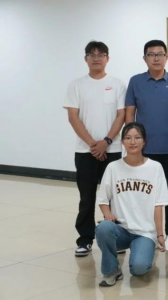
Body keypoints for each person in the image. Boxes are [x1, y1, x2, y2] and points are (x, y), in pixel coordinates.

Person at [64, 41, 126, 257]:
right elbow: (73, 117)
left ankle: (117, 238)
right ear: (86, 59)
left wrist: (106, 141)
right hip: (85, 151)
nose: (96, 58)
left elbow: (121, 116)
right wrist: (93, 144)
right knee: (87, 196)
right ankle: (85, 239)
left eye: (101, 55)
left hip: (113, 149)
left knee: (114, 197)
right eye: (92, 55)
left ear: (108, 58)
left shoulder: (118, 84)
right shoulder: (76, 85)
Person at [125, 40, 168, 251]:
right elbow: (130, 114)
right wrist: (131, 143)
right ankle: (145, 236)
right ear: (145, 58)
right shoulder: (136, 81)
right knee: (144, 195)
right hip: (144, 151)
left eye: (160, 54)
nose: (156, 58)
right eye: (151, 54)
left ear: (166, 57)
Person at [96, 122, 168, 286]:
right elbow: (102, 200)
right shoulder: (113, 167)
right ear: (122, 141)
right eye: (128, 138)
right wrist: (107, 214)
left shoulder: (155, 167)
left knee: (139, 268)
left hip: (144, 233)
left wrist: (160, 235)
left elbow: (159, 205)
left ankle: (143, 253)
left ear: (144, 141)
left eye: (137, 137)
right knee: (103, 228)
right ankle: (111, 270)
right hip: (120, 230)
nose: (133, 142)